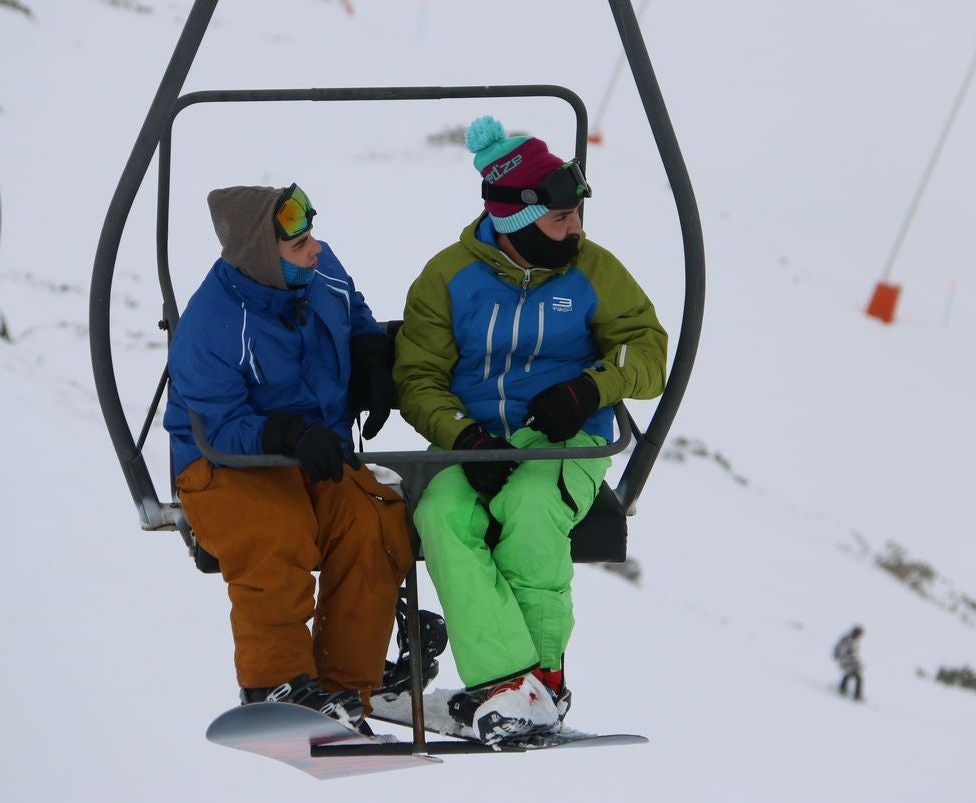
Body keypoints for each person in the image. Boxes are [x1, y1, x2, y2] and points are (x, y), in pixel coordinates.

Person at [393, 116, 668, 744]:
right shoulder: (448, 279)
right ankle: (508, 688)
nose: (576, 230)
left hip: (566, 441)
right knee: (442, 519)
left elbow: (648, 349)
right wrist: (463, 437)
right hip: (472, 443)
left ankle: (542, 679)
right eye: (560, 220)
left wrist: (591, 388)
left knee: (532, 505)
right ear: (516, 219)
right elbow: (418, 377)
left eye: (577, 215)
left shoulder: (594, 272)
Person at [163, 183, 414, 733]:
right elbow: (220, 427)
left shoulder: (318, 271)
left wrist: (371, 356)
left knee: (373, 522)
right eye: (299, 245)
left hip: (312, 451)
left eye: (311, 237)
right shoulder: (211, 326)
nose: (316, 249)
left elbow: (354, 309)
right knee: (276, 532)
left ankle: (346, 691)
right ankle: (274, 682)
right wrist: (288, 434)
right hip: (225, 463)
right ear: (262, 256)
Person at [834, 625, 864, 701]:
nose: (860, 637)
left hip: (849, 662)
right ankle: (857, 695)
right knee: (857, 677)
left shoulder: (853, 641)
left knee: (849, 674)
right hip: (846, 661)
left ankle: (843, 689)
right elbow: (844, 653)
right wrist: (855, 662)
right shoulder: (847, 640)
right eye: (859, 635)